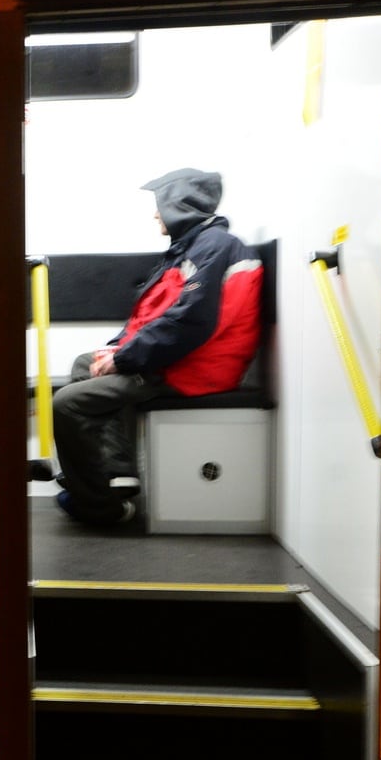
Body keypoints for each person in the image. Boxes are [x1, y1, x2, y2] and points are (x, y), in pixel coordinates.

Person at [49, 168, 262, 524]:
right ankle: (117, 474)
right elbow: (153, 314)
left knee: (67, 404)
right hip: (179, 357)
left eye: (160, 205)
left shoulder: (214, 247)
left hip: (194, 367)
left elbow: (190, 322)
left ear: (180, 205)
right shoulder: (193, 246)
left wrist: (124, 359)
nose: (155, 215)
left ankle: (100, 507)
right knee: (85, 363)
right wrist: (116, 350)